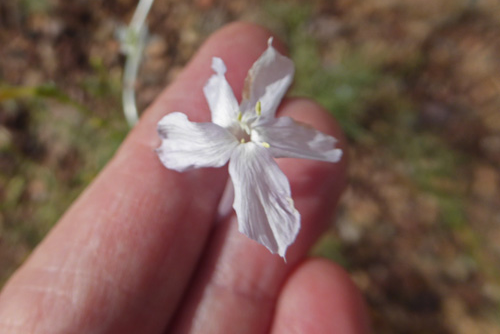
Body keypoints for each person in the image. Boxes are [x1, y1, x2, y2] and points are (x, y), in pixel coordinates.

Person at [0, 23, 370, 333]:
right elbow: (213, 96)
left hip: (250, 142)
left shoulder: (250, 130)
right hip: (224, 136)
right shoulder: (226, 119)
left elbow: (242, 103)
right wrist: (219, 86)